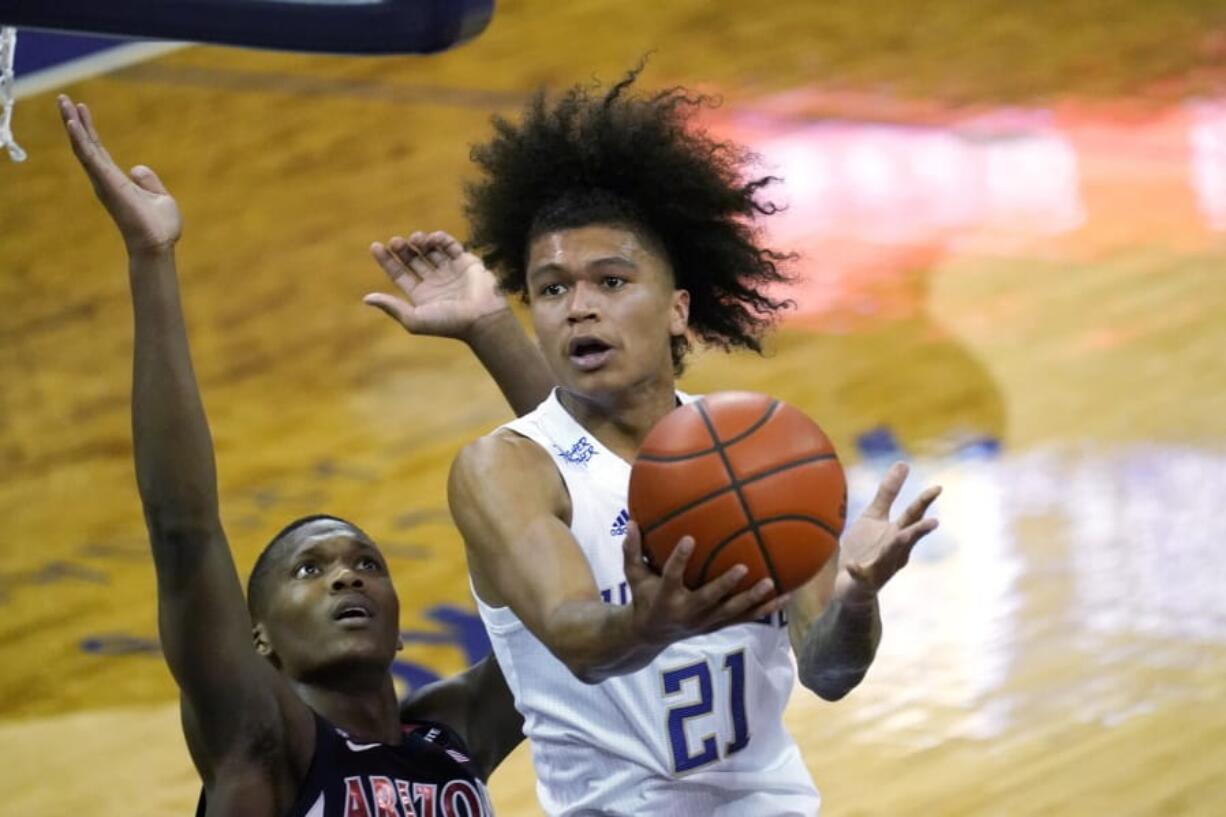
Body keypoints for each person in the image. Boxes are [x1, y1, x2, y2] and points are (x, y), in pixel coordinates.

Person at [437, 68, 944, 816]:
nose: (578, 307)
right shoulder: (505, 467)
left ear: (678, 310)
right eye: (551, 288)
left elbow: (829, 672)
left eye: (610, 281)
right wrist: (650, 621)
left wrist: (857, 598)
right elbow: (576, 637)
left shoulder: (759, 447)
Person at [58, 93, 547, 817]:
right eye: (310, 569)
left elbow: (590, 498)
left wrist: (493, 329)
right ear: (257, 639)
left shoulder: (453, 735)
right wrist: (151, 258)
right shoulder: (264, 744)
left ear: (397, 618)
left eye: (365, 563)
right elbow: (183, 529)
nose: (346, 577)